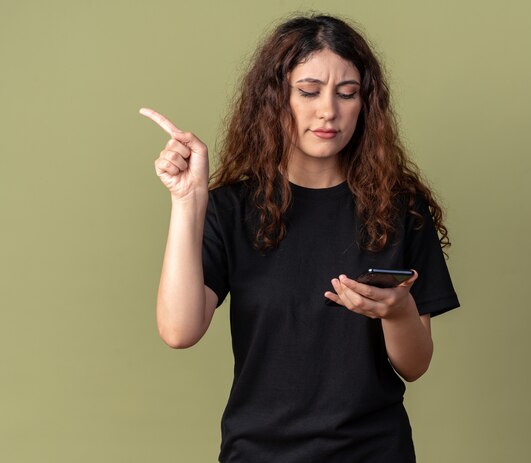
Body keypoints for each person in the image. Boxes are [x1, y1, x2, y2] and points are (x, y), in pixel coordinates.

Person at [140, 14, 459, 463]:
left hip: (374, 451)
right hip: (258, 453)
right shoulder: (231, 209)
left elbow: (415, 365)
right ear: (275, 100)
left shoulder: (400, 208)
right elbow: (179, 330)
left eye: (346, 94)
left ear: (365, 104)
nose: (328, 110)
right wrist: (188, 201)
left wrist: (399, 310)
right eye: (308, 92)